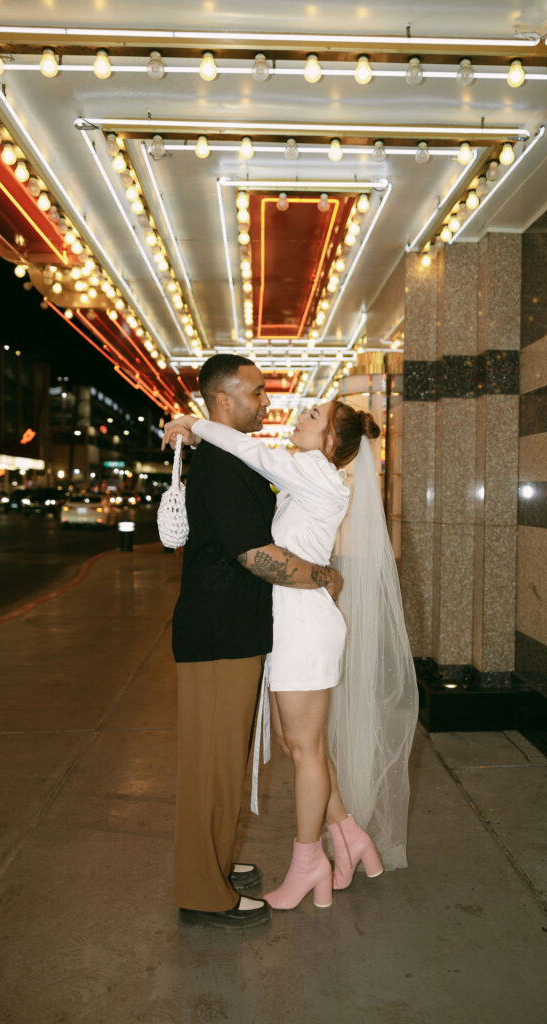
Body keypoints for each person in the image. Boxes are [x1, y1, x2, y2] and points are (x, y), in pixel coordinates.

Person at [164, 381, 418, 912]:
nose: (299, 415)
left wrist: (193, 423)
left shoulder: (315, 472)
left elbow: (254, 451)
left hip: (303, 626)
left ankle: (310, 863)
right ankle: (349, 837)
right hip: (293, 625)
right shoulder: (314, 475)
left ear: (330, 441)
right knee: (300, 747)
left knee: (304, 750)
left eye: (313, 415)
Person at [169, 354, 343, 931]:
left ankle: (214, 864)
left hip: (235, 632)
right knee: (210, 766)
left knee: (226, 763)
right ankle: (202, 891)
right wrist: (325, 576)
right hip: (217, 631)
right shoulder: (220, 463)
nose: (267, 402)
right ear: (223, 400)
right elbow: (256, 557)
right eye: (256, 393)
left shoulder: (229, 455)